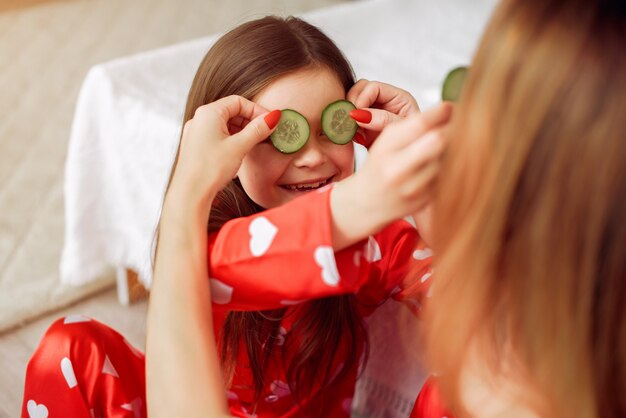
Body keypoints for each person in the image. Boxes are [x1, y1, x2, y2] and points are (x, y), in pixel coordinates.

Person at [22, 16, 449, 418]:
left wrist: (427, 189)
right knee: (68, 344)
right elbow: (252, 258)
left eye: (331, 129)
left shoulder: (373, 243)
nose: (314, 156)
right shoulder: (209, 243)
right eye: (282, 137)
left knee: (471, 375)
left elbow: (469, 300)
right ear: (230, 149)